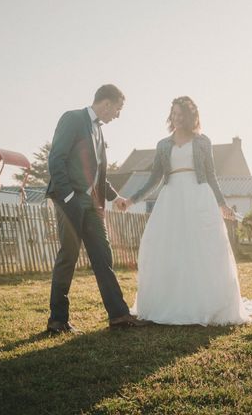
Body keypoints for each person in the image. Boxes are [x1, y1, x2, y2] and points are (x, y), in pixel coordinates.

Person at [124, 96, 252, 325]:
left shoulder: (202, 142)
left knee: (203, 248)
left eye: (181, 115)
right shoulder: (163, 145)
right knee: (165, 247)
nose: (176, 118)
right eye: (173, 114)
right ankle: (169, 304)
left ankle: (204, 304)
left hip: (199, 196)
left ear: (190, 117)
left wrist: (222, 204)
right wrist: (131, 200)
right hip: (171, 199)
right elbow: (154, 179)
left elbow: (211, 176)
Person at [45, 84, 149, 333]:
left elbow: (99, 174)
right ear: (106, 103)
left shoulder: (100, 132)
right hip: (69, 200)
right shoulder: (72, 118)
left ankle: (119, 315)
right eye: (118, 109)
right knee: (68, 257)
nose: (117, 115)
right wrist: (68, 196)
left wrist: (116, 198)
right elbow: (56, 158)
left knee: (103, 256)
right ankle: (57, 320)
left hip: (92, 204)